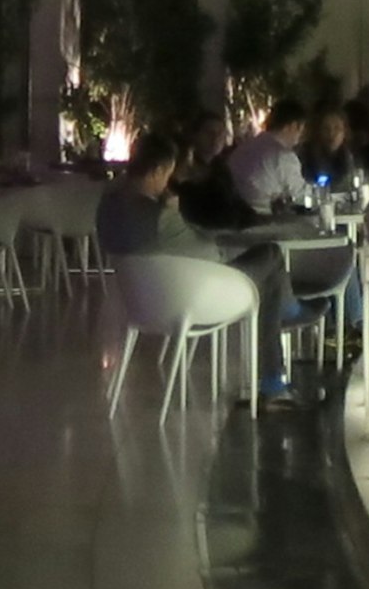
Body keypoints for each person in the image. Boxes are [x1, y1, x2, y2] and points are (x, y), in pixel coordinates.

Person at [99, 142, 305, 400]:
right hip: (190, 297)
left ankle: (286, 320)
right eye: (166, 175)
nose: (168, 182)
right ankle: (279, 359)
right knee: (271, 256)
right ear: (157, 171)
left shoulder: (108, 205)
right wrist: (173, 212)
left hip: (141, 302)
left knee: (266, 277)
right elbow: (206, 251)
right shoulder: (161, 216)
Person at [225, 99, 315, 220]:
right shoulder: (283, 156)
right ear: (293, 126)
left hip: (234, 215)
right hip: (264, 220)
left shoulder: (244, 148)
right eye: (301, 129)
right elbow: (302, 196)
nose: (299, 137)